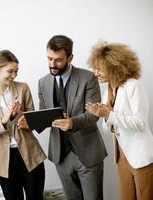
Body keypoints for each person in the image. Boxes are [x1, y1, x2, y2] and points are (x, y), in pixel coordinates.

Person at [36, 35, 107, 200]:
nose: (52, 65)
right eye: (49, 59)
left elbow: (93, 115)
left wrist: (72, 123)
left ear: (70, 57)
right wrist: (29, 121)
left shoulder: (88, 78)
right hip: (61, 156)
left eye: (58, 60)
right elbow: (44, 114)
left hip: (88, 154)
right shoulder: (43, 82)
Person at [86, 41, 153, 200]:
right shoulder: (107, 92)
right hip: (121, 157)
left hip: (141, 158)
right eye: (94, 68)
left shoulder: (133, 86)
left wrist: (109, 115)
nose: (96, 73)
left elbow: (140, 122)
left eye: (99, 69)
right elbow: (107, 128)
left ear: (115, 66)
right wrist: (104, 116)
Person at [0, 50, 46, 200]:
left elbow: (33, 121)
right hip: (3, 161)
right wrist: (3, 120)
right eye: (10, 71)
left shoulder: (23, 88)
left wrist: (18, 115)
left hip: (30, 154)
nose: (14, 75)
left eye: (16, 71)